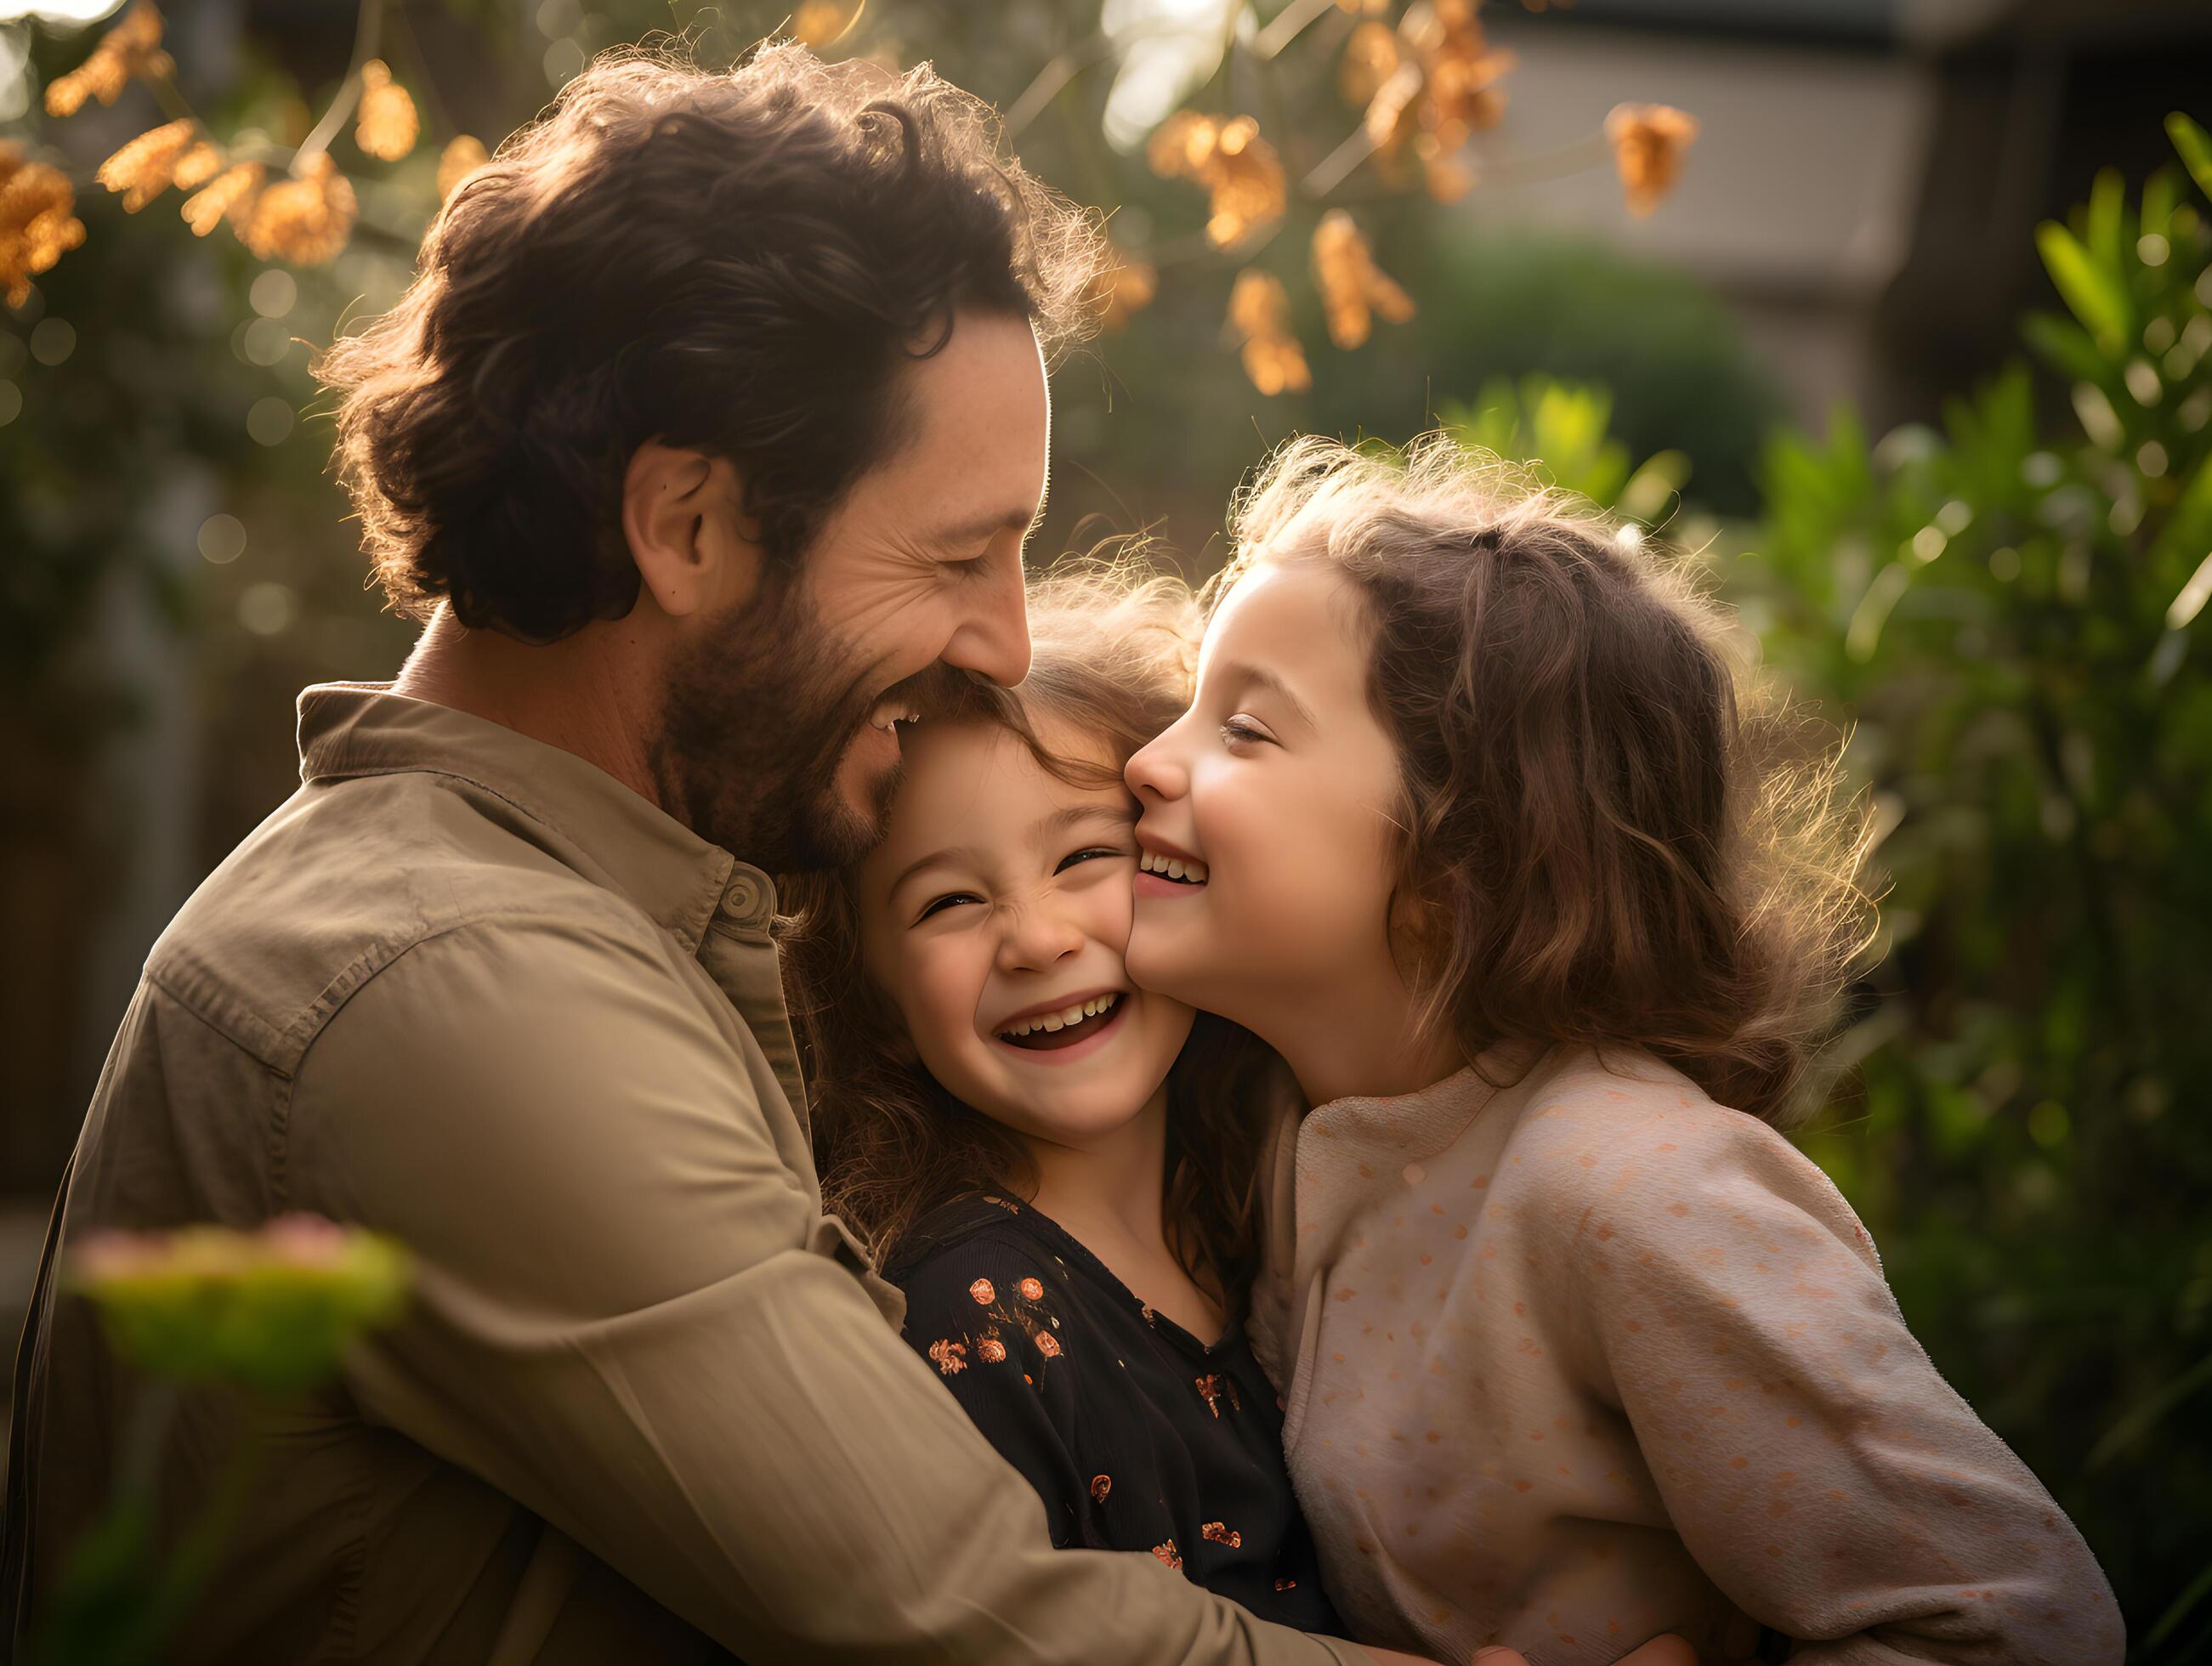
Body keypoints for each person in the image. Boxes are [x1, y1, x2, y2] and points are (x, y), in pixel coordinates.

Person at [3, 46, 1382, 1663]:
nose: (1002, 645)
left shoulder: (558, 905)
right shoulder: (468, 980)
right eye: (955, 553)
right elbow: (972, 1622)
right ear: (686, 527)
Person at [1120, 436, 2127, 1664]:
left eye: (1243, 730)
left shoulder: (1628, 1184)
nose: (1145, 761)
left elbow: (2018, 1623)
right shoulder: (1288, 1126)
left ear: (1461, 861)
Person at [784, 562, 1693, 1666]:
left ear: (1175, 865)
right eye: (947, 903)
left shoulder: (1277, 1192)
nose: (1033, 938)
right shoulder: (973, 1322)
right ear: (870, 990)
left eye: (1083, 857)